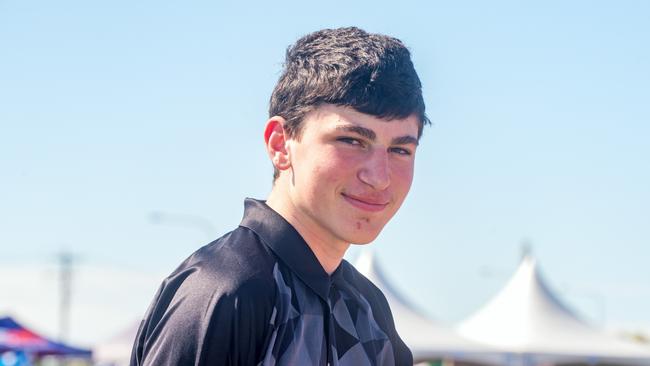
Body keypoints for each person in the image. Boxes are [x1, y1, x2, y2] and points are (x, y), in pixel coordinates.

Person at [130, 26, 429, 366]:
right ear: (279, 144)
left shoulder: (368, 309)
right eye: (351, 141)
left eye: (400, 150)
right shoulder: (227, 292)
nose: (379, 177)